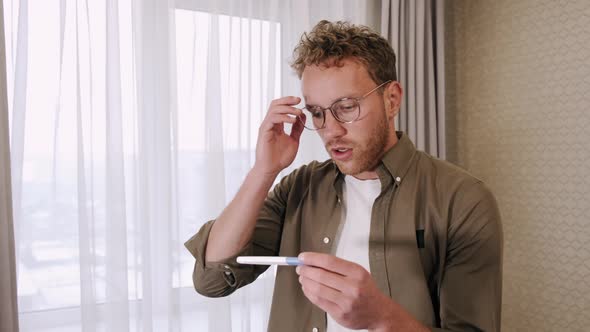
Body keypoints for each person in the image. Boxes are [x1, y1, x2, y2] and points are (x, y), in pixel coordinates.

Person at [185, 20, 502, 332]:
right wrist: (262, 172)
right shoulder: (299, 188)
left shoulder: (462, 200)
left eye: (347, 107)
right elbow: (211, 280)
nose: (330, 131)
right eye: (318, 113)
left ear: (392, 100)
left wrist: (382, 318)